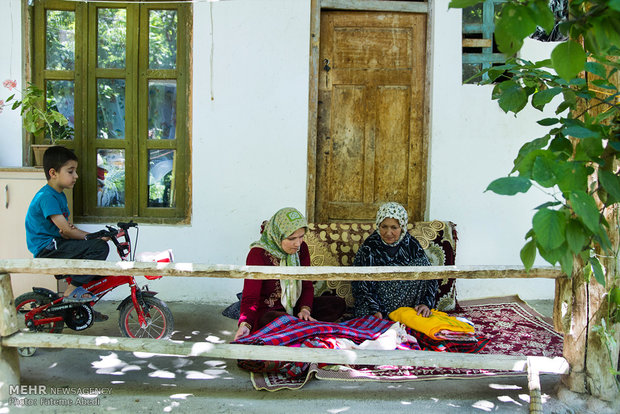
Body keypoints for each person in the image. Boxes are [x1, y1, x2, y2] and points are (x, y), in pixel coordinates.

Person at [234, 207, 345, 340]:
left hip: (296, 309)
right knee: (279, 320)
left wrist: (305, 310)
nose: (298, 243)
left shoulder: (301, 249)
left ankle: (300, 326)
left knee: (337, 304)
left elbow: (307, 285)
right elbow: (250, 298)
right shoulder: (258, 254)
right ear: (277, 235)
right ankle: (305, 328)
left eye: (301, 237)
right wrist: (245, 325)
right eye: (292, 238)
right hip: (269, 313)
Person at [25, 146, 110, 318]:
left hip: (57, 242)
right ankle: (71, 290)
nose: (76, 176)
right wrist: (93, 237)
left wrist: (93, 236)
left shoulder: (59, 195)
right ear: (53, 173)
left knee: (96, 263)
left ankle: (81, 307)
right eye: (71, 171)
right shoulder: (47, 197)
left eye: (75, 171)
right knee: (99, 248)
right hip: (47, 248)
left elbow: (67, 229)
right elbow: (66, 230)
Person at [352, 202, 438, 319]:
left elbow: (430, 277)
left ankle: (406, 314)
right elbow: (361, 283)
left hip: (407, 305)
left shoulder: (411, 245)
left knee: (421, 264)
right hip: (375, 305)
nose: (388, 233)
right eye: (384, 227)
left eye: (394, 227)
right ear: (378, 225)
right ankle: (383, 316)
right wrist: (375, 309)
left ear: (402, 227)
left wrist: (426, 303)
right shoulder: (370, 246)